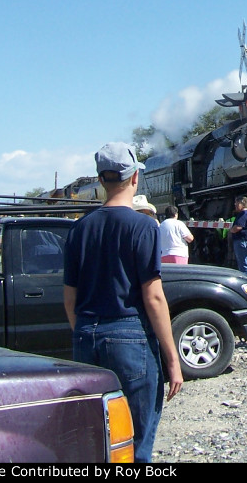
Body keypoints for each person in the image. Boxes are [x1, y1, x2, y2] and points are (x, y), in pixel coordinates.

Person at [63, 142, 182, 463]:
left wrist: (85, 330)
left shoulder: (78, 230)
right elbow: (154, 296)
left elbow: (69, 297)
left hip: (86, 333)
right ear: (134, 179)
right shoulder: (144, 226)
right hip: (130, 334)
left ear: (101, 181)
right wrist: (172, 359)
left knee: (96, 431)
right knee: (136, 436)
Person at [230, 196, 247, 281]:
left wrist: (231, 230)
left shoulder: (243, 214)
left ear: (242, 204)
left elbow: (238, 227)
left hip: (242, 241)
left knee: (244, 264)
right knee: (246, 262)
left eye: (237, 203)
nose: (235, 205)